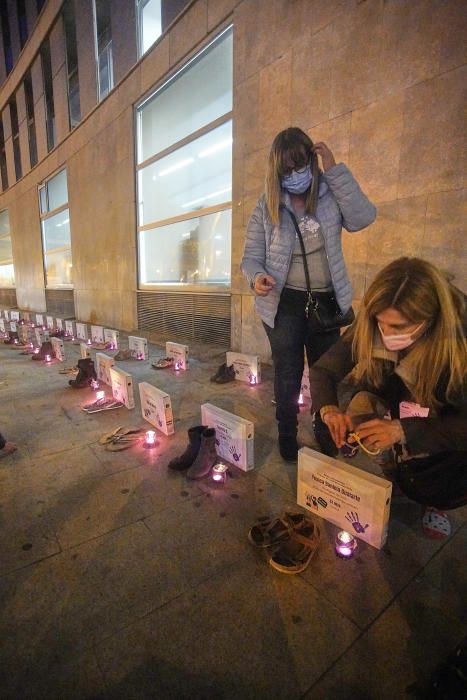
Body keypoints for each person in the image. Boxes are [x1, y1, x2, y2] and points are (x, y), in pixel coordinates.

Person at [241, 127, 376, 461]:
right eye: (287, 169)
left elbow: (363, 217)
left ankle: (324, 427)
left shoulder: (330, 192)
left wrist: (335, 170)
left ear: (312, 161)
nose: (295, 175)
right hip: (283, 303)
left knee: (324, 371)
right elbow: (251, 256)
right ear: (277, 171)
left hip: (326, 302)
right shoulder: (267, 204)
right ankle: (287, 431)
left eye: (301, 165)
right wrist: (256, 276)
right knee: (287, 371)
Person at [309, 257, 467, 539]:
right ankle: (395, 471)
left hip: (442, 410)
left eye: (399, 326)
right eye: (381, 324)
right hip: (395, 395)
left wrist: (401, 430)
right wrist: (329, 410)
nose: (386, 334)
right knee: (365, 413)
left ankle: (435, 503)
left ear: (430, 320)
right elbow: (324, 369)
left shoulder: (460, 340)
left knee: (440, 470)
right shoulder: (376, 319)